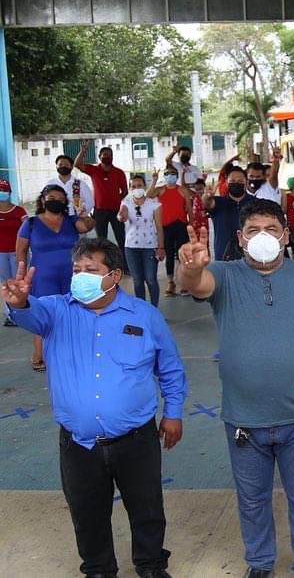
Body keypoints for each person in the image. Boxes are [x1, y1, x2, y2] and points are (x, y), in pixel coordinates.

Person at [176, 199, 294, 578]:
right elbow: (195, 284)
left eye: (272, 230)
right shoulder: (223, 274)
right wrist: (189, 267)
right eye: (253, 230)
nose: (263, 237)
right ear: (240, 238)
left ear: (286, 236)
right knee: (252, 500)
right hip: (244, 418)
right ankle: (259, 563)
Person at [2, 238, 187, 578]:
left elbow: (170, 369)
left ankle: (150, 566)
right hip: (79, 443)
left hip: (135, 439)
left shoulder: (144, 316)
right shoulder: (55, 311)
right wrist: (19, 303)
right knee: (87, 514)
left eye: (91, 270)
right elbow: (29, 313)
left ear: (113, 276)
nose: (81, 276)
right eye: (77, 270)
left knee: (147, 509)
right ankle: (99, 569)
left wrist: (173, 413)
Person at [17, 185, 94, 371]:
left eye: (60, 199)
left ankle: (74, 352)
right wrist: (21, 274)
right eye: (52, 197)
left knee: (75, 312)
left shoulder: (71, 220)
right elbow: (21, 250)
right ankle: (40, 354)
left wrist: (83, 213)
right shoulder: (31, 223)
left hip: (72, 276)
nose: (56, 201)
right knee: (43, 313)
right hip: (43, 277)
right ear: (43, 200)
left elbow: (88, 226)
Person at [118, 175, 165, 306]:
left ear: (145, 187)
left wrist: (161, 247)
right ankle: (142, 309)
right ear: (129, 188)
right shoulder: (125, 203)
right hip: (131, 247)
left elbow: (159, 227)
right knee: (137, 281)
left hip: (150, 247)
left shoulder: (154, 205)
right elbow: (122, 215)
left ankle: (154, 309)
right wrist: (121, 216)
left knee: (151, 279)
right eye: (133, 186)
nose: (136, 189)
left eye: (139, 186)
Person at [147, 166, 192, 297]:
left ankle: (184, 282)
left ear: (177, 176)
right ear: (164, 176)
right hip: (166, 226)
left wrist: (191, 223)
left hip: (181, 225)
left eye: (173, 173)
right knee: (169, 255)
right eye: (167, 174)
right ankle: (171, 282)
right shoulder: (160, 190)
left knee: (182, 255)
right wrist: (154, 180)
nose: (170, 176)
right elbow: (147, 196)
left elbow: (189, 208)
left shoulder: (182, 190)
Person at [75, 141, 128, 247]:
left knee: (121, 238)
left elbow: (125, 191)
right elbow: (77, 164)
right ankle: (104, 262)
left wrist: (117, 200)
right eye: (105, 155)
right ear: (99, 156)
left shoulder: (119, 172)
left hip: (116, 210)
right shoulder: (93, 170)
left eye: (110, 155)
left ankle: (124, 262)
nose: (108, 157)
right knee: (101, 240)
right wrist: (83, 151)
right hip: (99, 211)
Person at [203, 167, 255, 261]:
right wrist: (207, 196)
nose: (236, 183)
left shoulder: (256, 203)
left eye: (240, 181)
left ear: (246, 183)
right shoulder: (218, 203)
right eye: (233, 181)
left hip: (251, 257)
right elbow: (207, 203)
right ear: (226, 183)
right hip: (224, 258)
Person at [0, 179, 27, 326]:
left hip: (18, 252)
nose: (2, 193)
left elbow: (28, 229)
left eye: (4, 190)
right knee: (6, 283)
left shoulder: (19, 211)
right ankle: (9, 313)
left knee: (18, 282)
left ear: (9, 193)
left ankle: (21, 311)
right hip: (1, 254)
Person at [47, 154, 95, 219]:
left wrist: (81, 214)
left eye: (66, 165)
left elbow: (90, 202)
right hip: (56, 220)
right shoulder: (50, 184)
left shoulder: (80, 184)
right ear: (56, 167)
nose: (63, 166)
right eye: (60, 165)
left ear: (72, 167)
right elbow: (45, 201)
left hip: (76, 220)